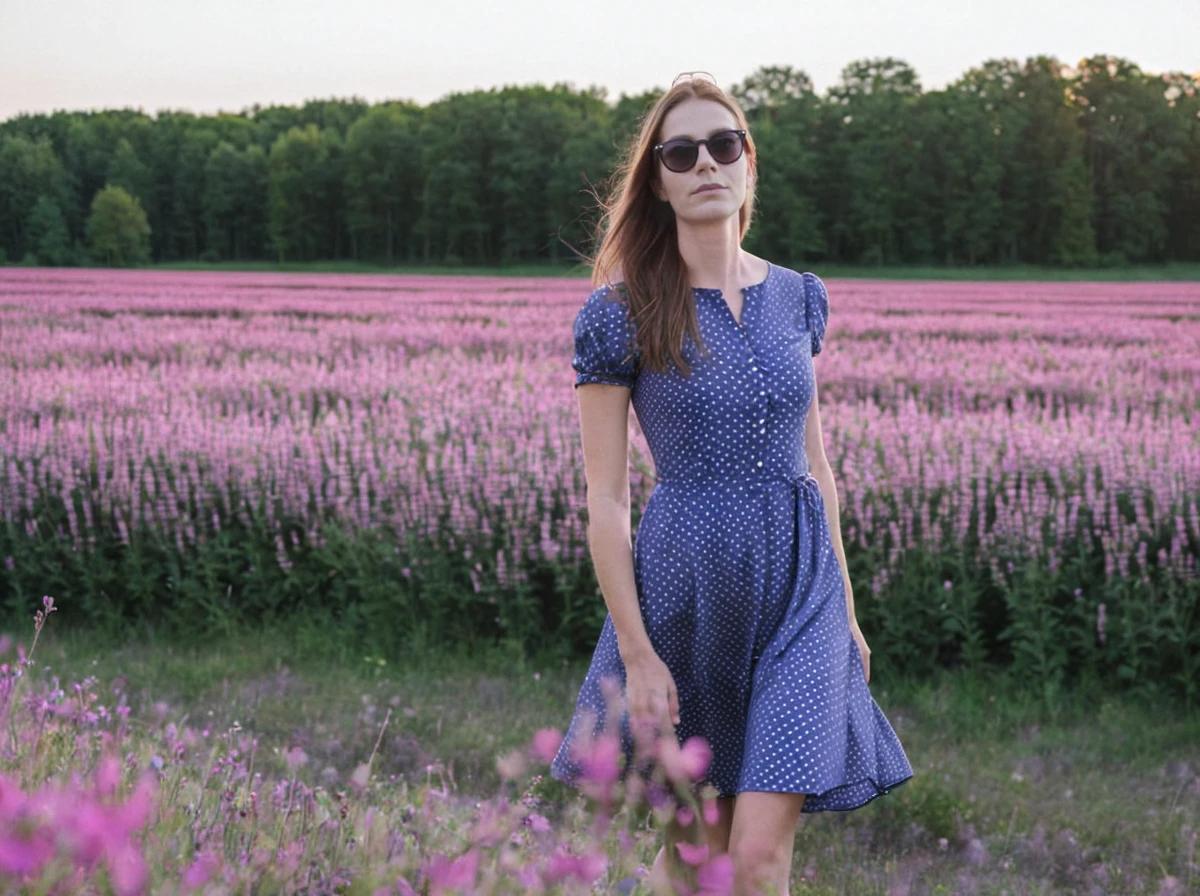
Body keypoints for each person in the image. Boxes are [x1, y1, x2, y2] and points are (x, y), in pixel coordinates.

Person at [548, 71, 914, 896]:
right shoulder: (621, 313)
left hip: (802, 593)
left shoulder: (798, 298)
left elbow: (816, 465)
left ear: (748, 161)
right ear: (660, 181)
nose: (706, 163)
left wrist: (849, 612)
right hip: (687, 594)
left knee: (754, 860)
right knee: (699, 862)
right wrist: (638, 656)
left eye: (725, 144)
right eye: (682, 152)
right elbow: (605, 501)